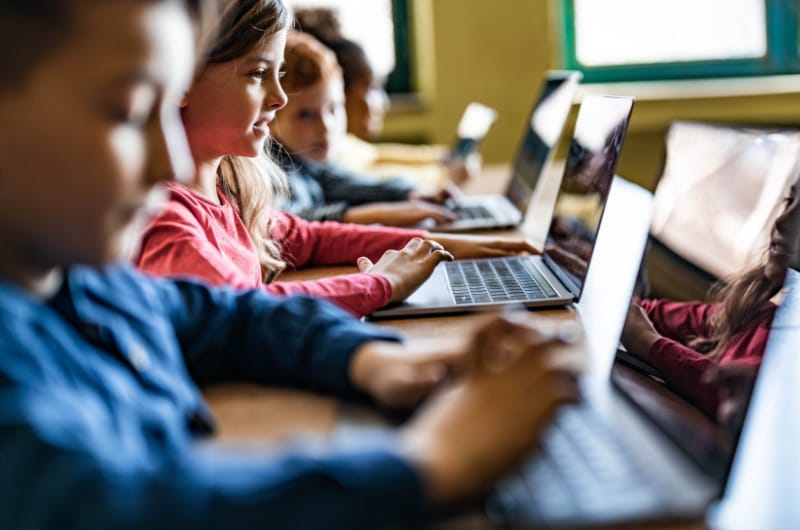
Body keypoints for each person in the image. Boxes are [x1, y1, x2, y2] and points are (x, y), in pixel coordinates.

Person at [0, 1, 580, 528]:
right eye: (129, 112)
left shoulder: (75, 281)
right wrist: (430, 462)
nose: (170, 158)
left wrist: (373, 361)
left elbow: (229, 318)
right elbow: (126, 508)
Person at [137, 19, 537, 317]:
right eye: (259, 74)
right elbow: (246, 312)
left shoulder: (229, 190)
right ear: (182, 82)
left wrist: (454, 247)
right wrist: (381, 283)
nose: (278, 98)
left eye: (277, 75)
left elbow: (312, 237)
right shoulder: (166, 218)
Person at [621, 176, 800, 419]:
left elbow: (736, 395)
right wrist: (590, 279)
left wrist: (648, 343)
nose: (782, 221)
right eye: (788, 201)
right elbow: (655, 314)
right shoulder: (756, 311)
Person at [269, 30, 464, 227]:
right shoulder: (270, 170)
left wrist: (411, 193)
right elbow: (289, 225)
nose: (326, 126)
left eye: (334, 108)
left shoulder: (309, 162)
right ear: (268, 116)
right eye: (306, 115)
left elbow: (348, 184)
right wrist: (379, 215)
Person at [293, 7, 478, 190]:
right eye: (372, 89)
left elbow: (375, 156)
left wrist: (441, 158)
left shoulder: (345, 145)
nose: (384, 103)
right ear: (342, 91)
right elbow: (372, 182)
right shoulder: (322, 151)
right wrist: (444, 175)